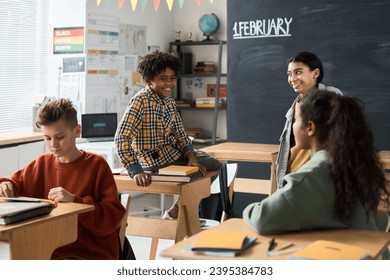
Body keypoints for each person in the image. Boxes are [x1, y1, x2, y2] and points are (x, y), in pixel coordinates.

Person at [243, 90, 390, 245]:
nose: (292, 126)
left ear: (310, 127)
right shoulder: (352, 163)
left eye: (296, 120)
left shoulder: (312, 175)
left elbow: (260, 218)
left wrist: (247, 210)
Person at [0, 98, 126, 260]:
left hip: (89, 252)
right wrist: (5, 185)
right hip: (49, 247)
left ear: (77, 131)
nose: (53, 144)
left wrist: (75, 200)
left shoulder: (97, 165)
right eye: (47, 138)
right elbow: (13, 185)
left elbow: (111, 218)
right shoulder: (41, 164)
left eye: (59, 137)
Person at [115, 51, 221, 220]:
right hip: (153, 161)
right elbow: (122, 138)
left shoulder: (169, 101)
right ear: (149, 79)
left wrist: (191, 156)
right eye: (163, 78)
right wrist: (135, 170)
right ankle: (191, 213)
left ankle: (182, 209)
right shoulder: (140, 101)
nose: (169, 83)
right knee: (214, 166)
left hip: (171, 154)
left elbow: (180, 133)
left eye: (172, 78)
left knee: (210, 166)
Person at [276, 51, 342, 189]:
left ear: (315, 73)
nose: (292, 78)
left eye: (298, 72)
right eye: (289, 74)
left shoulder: (331, 96)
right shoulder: (295, 105)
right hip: (292, 176)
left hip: (315, 180)